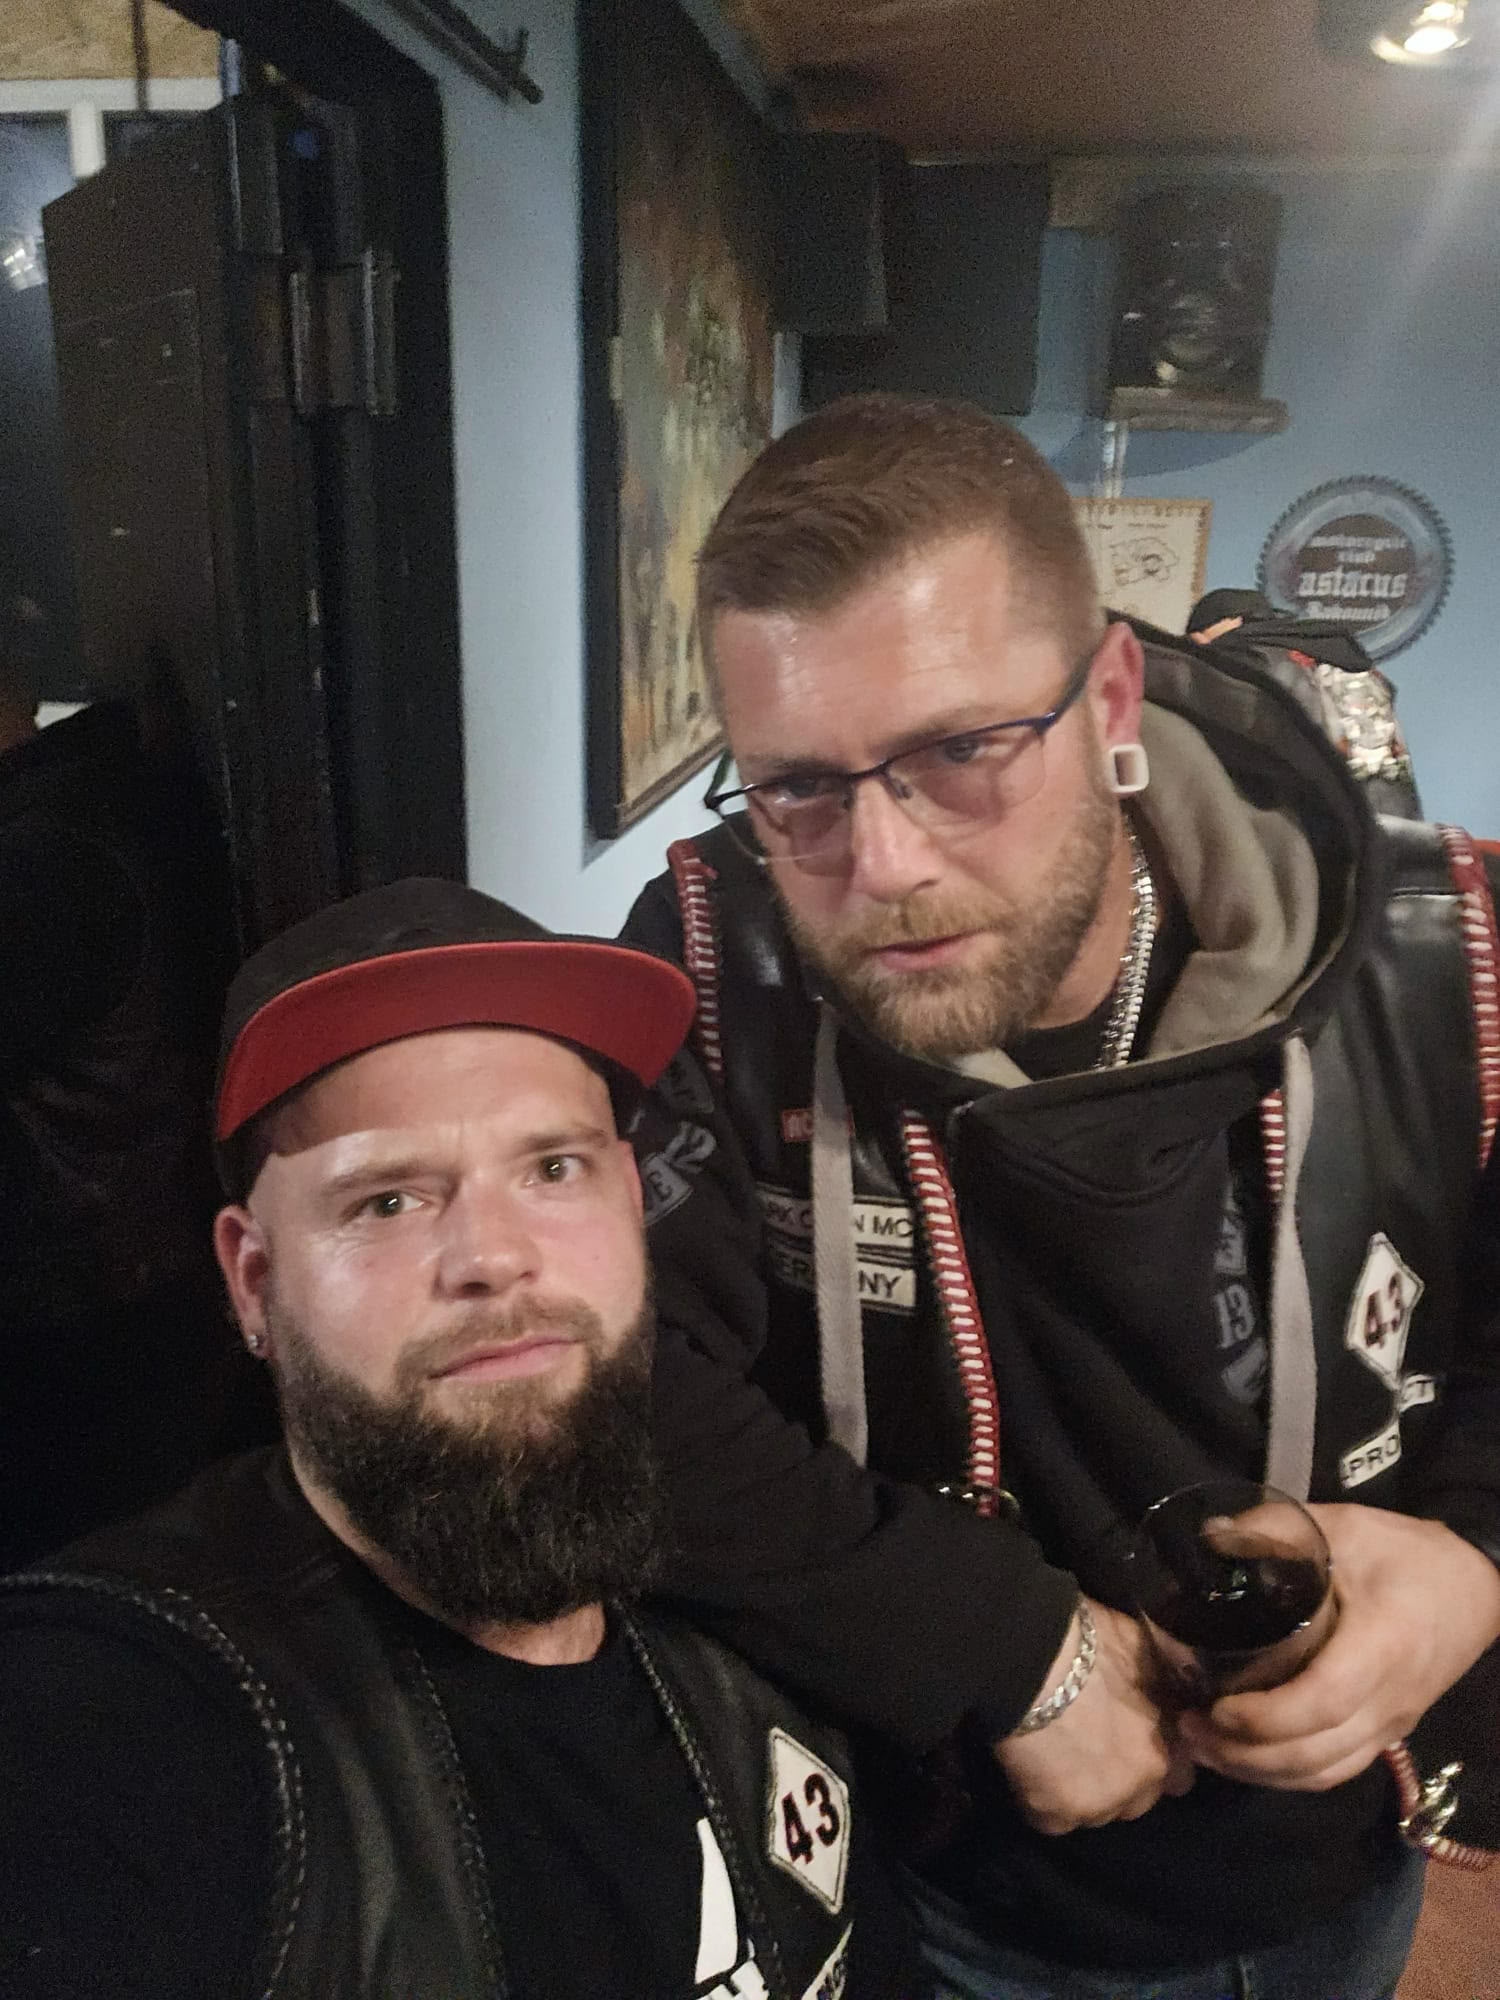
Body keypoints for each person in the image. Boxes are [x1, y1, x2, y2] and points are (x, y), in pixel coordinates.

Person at [623, 393, 1500, 1997]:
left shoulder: (1448, 955)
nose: (883, 865)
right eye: (798, 788)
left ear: (1107, 695)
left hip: (1347, 1866)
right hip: (937, 1872)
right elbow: (616, 1389)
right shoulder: (709, 963)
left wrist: (1477, 1562)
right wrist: (997, 1645)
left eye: (961, 752)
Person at [0, 878, 912, 2000]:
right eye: (387, 1199)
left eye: (553, 1168)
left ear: (632, 1205)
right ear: (253, 1280)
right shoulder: (118, 1719)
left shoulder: (763, 1606)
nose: (494, 1255)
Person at [0, 591, 267, 1567]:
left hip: (81, 1307)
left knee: (93, 1581)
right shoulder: (112, 793)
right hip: (148, 1269)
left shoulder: (39, 862)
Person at [1186, 585, 1422, 817]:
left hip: (1306, 825)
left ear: (1233, 621)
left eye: (1198, 636)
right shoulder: (1349, 657)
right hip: (1394, 820)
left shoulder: (1243, 657)